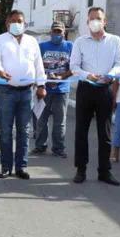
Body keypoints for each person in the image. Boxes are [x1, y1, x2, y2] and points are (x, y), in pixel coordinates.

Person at [69, 7, 120, 186]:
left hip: (105, 90)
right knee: (81, 131)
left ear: (105, 21)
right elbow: (74, 66)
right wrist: (87, 75)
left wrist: (111, 74)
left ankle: (104, 171)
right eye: (91, 19)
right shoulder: (80, 42)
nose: (95, 22)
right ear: (87, 22)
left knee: (105, 132)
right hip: (86, 89)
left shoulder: (115, 41)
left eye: (98, 18)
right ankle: (81, 169)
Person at [0, 10, 46, 179]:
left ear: (24, 23)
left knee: (24, 130)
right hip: (6, 91)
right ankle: (6, 167)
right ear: (7, 23)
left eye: (19, 21)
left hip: (27, 92)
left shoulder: (32, 41)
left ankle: (21, 166)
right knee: (6, 130)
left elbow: (38, 64)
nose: (16, 24)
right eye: (13, 21)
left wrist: (41, 84)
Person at [32, 21, 73, 158]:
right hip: (44, 90)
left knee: (59, 122)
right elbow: (36, 66)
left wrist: (61, 77)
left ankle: (58, 148)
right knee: (41, 120)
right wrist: (41, 82)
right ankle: (40, 146)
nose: (57, 34)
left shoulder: (70, 46)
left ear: (64, 32)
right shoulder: (42, 47)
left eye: (59, 31)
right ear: (50, 32)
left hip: (62, 90)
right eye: (54, 31)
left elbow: (74, 67)